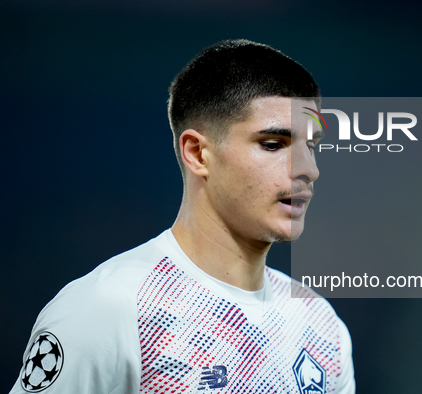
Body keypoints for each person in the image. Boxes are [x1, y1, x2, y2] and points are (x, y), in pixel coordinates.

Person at [11, 39, 355, 393]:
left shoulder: (321, 326)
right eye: (273, 144)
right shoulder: (110, 308)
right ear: (198, 154)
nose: (308, 170)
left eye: (311, 146)